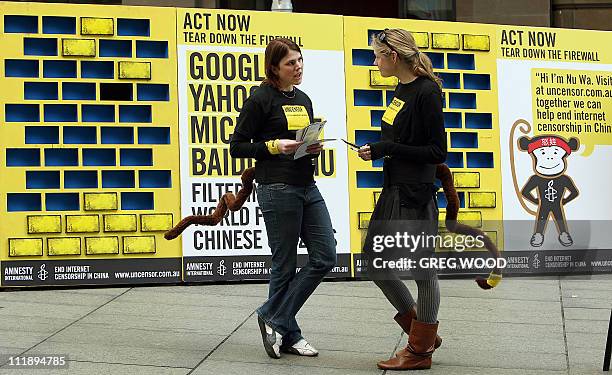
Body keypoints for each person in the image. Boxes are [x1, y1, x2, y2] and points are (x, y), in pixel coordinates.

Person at [229, 38, 337, 359]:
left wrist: (310, 146)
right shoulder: (260, 99)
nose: (298, 67)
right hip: (276, 187)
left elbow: (299, 142)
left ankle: (274, 317)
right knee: (285, 265)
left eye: (300, 61)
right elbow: (237, 146)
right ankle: (289, 333)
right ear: (274, 68)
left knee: (325, 256)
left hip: (307, 184)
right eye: (291, 63)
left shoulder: (303, 99)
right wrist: (275, 146)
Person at [358, 28, 447, 371]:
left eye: (378, 55)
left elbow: (437, 151)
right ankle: (421, 334)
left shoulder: (426, 92)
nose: (374, 61)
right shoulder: (402, 89)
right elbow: (400, 140)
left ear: (393, 56)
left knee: (423, 269)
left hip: (415, 193)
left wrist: (387, 149)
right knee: (374, 261)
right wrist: (379, 151)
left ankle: (419, 351)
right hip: (394, 188)